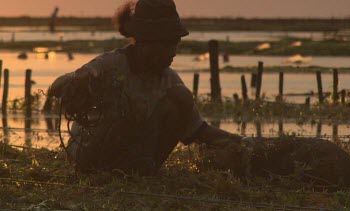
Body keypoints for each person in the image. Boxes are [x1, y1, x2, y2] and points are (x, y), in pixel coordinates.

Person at [49, 0, 243, 176]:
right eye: (167, 45)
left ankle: (143, 172)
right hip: (90, 158)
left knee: (180, 97)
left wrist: (239, 142)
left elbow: (199, 130)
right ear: (144, 42)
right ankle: (118, 172)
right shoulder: (110, 65)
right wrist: (78, 80)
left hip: (131, 162)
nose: (173, 52)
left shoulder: (169, 80)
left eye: (175, 44)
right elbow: (56, 88)